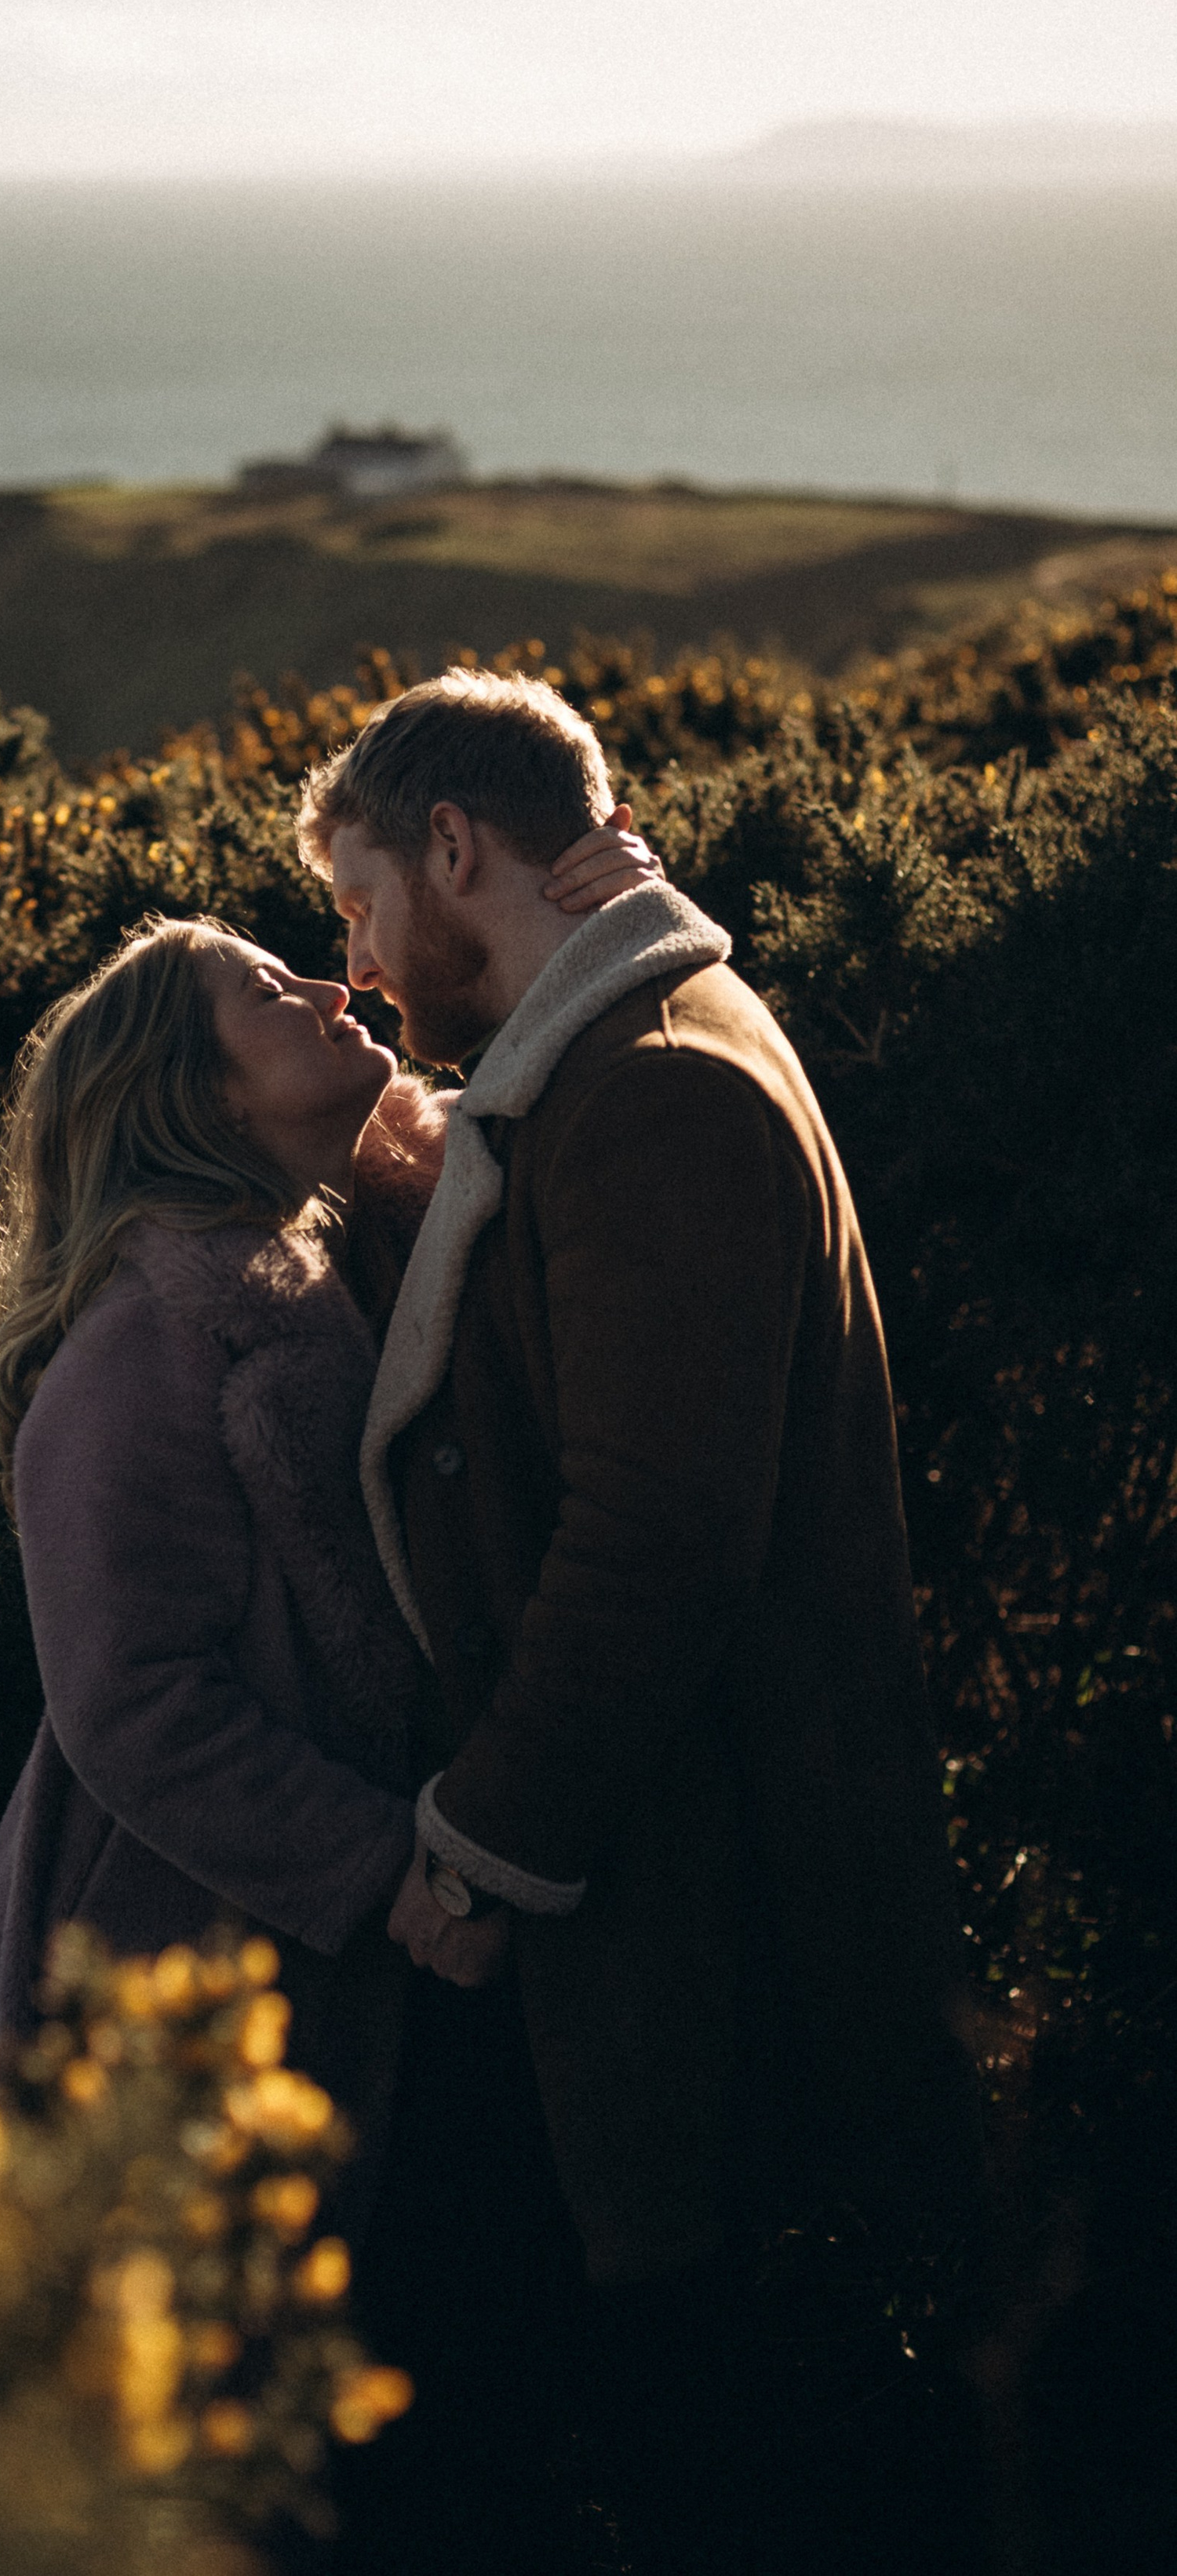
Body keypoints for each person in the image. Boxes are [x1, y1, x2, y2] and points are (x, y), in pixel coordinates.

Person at [296, 668, 983, 2575]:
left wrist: (482, 1841)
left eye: (358, 905)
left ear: (453, 846)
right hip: (670, 1871)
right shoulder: (613, 1047)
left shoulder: (652, 1087)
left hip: (701, 1892)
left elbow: (656, 1538)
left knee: (719, 2452)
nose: (353, 963)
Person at [0, 839, 652, 2172]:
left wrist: (619, 918)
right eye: (273, 995)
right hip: (173, 1976)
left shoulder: (362, 1250)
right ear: (199, 1098)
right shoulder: (140, 1347)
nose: (334, 990)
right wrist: (391, 1870)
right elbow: (131, 1702)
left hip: (346, 1958)